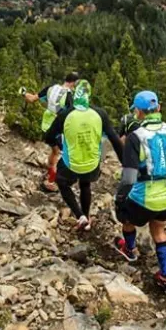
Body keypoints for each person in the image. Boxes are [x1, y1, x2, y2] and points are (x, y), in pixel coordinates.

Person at [113, 91, 166, 296]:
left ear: (138, 112)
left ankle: (130, 250)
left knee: (127, 220)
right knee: (159, 231)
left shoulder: (135, 137)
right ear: (158, 108)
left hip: (143, 198)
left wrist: (120, 199)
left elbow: (129, 177)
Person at [44, 80, 123, 231]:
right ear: (89, 95)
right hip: (92, 164)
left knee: (62, 182)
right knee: (85, 184)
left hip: (71, 164)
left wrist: (59, 146)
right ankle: (86, 216)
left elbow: (48, 137)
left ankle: (80, 215)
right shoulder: (100, 114)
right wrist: (125, 162)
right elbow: (115, 140)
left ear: (74, 95)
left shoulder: (65, 114)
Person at [23, 72, 79, 192]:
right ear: (74, 83)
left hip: (45, 126)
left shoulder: (51, 88)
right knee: (66, 155)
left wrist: (24, 93)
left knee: (55, 151)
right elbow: (71, 117)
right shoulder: (69, 96)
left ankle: (50, 175)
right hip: (57, 129)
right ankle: (51, 181)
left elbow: (32, 99)